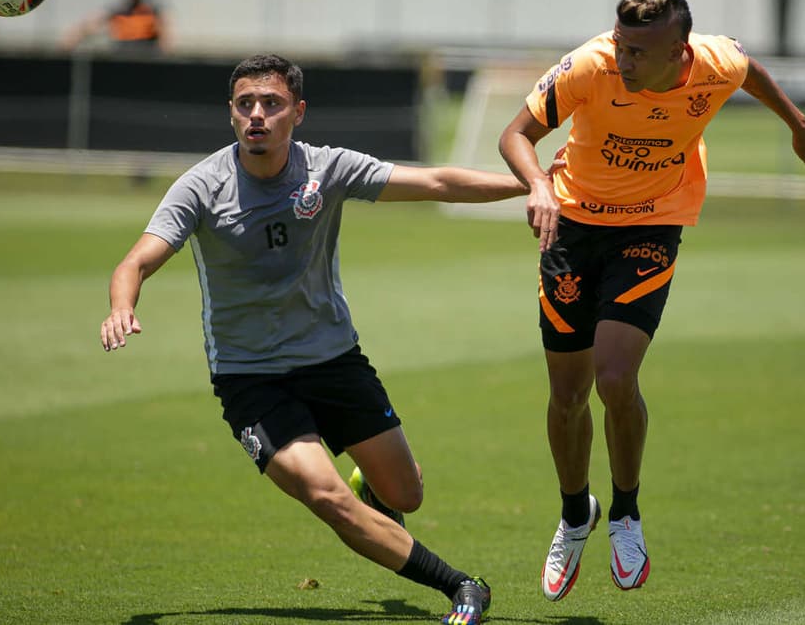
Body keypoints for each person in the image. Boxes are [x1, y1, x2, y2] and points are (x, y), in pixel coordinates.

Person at [99, 53, 546, 625]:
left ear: (298, 112)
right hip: (249, 379)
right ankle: (462, 585)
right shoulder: (202, 186)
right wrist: (121, 307)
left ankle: (376, 490)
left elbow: (435, 180)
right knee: (327, 497)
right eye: (245, 105)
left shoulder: (326, 169)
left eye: (271, 103)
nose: (257, 115)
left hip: (334, 360)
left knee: (406, 497)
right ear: (231, 114)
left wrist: (532, 183)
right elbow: (135, 262)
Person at [497, 0, 805, 601]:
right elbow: (514, 135)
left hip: (653, 223)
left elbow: (750, 70)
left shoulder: (714, 63)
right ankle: (577, 514)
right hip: (573, 225)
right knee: (567, 394)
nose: (623, 59)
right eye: (621, 45)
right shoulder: (587, 67)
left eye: (638, 52)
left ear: (681, 50)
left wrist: (797, 124)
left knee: (615, 378)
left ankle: (625, 511)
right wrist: (539, 187)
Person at [63, 0, 168, 53]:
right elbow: (95, 20)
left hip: (146, 60)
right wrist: (75, 35)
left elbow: (166, 30)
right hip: (122, 59)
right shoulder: (120, 8)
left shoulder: (152, 9)